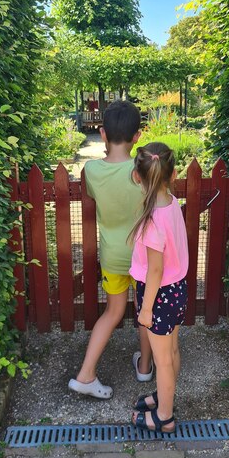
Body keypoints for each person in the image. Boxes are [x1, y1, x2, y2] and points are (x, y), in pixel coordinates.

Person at [68, 100, 153, 399]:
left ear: (102, 133)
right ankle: (144, 367)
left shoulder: (91, 170)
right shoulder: (142, 170)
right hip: (145, 254)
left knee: (112, 311)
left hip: (113, 256)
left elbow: (93, 194)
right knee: (146, 311)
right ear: (137, 135)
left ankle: (86, 374)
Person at [129, 142, 189, 433]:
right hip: (177, 289)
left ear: (137, 176)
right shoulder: (172, 204)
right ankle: (166, 398)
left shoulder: (152, 219)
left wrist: (146, 309)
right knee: (172, 351)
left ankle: (164, 417)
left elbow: (155, 269)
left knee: (162, 360)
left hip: (159, 295)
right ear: (173, 174)